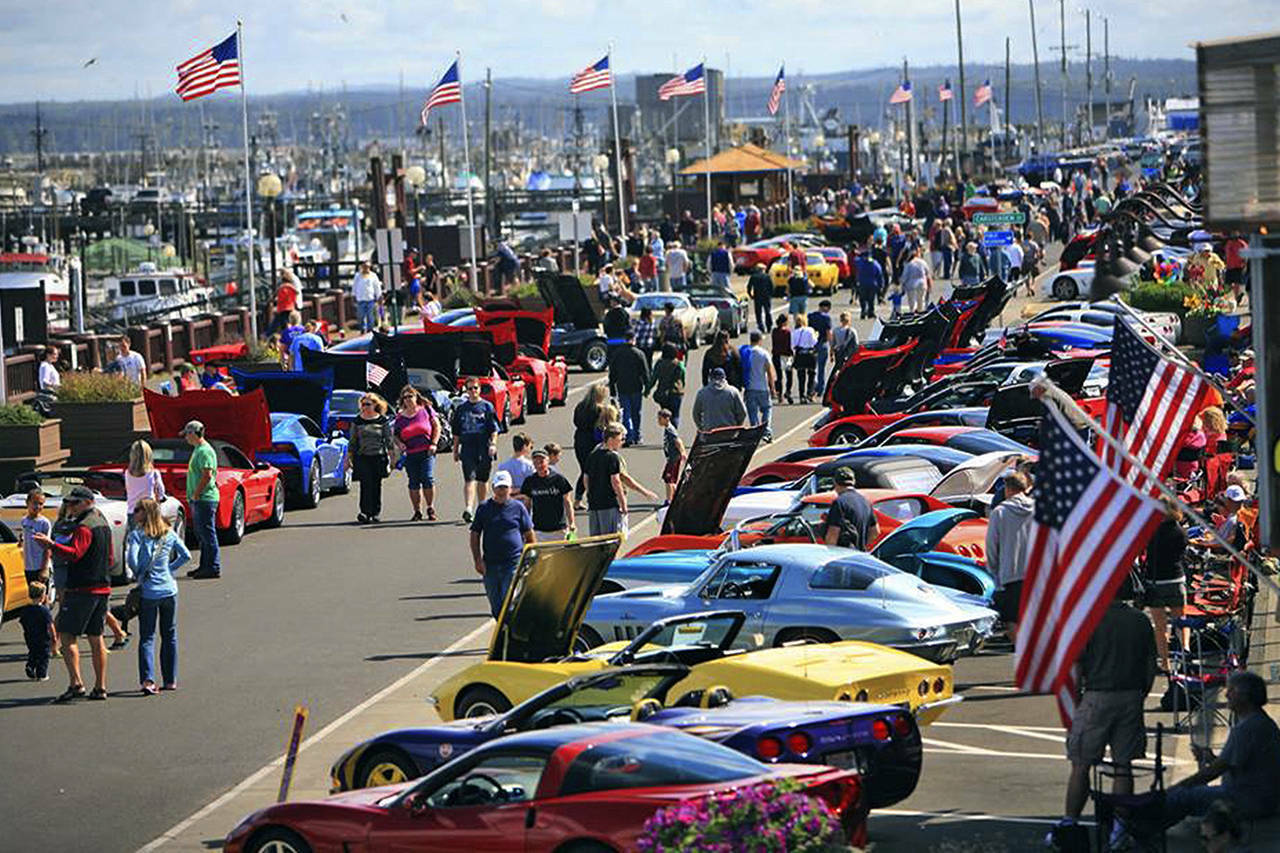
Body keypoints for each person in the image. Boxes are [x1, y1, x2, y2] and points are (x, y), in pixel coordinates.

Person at [1054, 579, 1157, 843]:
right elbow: (1149, 665)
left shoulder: (1090, 621)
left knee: (1081, 763)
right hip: (1131, 694)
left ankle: (1071, 822)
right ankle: (1120, 828)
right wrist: (1140, 694)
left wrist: (1076, 702)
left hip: (1097, 694)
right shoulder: (1140, 621)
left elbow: (1077, 668)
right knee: (1124, 765)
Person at [1163, 671, 1280, 825]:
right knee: (1188, 795)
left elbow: (1212, 772)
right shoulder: (1262, 722)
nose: (1226, 695)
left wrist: (1174, 789)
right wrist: (1211, 758)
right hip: (1261, 797)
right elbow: (1236, 764)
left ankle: (1143, 833)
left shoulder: (1246, 729)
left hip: (1246, 799)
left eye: (1232, 690)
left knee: (1181, 797)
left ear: (1245, 696)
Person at [30, 485, 112, 702]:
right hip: (102, 587)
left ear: (87, 502)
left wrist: (51, 545)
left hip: (82, 588)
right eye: (69, 503)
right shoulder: (103, 523)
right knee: (96, 638)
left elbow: (75, 553)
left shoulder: (84, 527)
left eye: (75, 503)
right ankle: (100, 687)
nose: (70, 507)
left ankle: (76, 684)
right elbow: (111, 558)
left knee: (67, 635)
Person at [126, 497, 190, 695]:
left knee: (147, 637)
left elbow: (132, 560)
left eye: (138, 510)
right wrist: (169, 570)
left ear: (145, 513)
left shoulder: (137, 535)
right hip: (169, 590)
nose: (134, 513)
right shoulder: (168, 533)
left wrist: (140, 573)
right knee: (169, 634)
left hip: (149, 592)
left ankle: (148, 680)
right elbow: (185, 555)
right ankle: (170, 679)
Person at [469, 471, 534, 618]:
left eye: (505, 487)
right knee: (496, 606)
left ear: (510, 488)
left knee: (509, 604)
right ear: (493, 488)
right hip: (490, 564)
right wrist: (478, 560)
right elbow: (475, 534)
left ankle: (509, 635)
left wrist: (530, 558)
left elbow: (529, 534)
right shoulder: (484, 508)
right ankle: (502, 630)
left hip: (512, 563)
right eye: (499, 487)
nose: (502, 491)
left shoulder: (518, 508)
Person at [984, 471, 1035, 643]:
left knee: (1012, 619)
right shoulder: (1037, 509)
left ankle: (1021, 650)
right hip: (1035, 572)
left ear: (1008, 488)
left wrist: (993, 569)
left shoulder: (1000, 512)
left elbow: (992, 546)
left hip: (1010, 573)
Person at [585, 422, 657, 535]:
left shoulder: (592, 455)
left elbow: (586, 478)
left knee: (597, 538)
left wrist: (591, 495)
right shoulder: (612, 457)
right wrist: (623, 504)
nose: (622, 443)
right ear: (611, 439)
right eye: (620, 439)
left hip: (594, 504)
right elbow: (616, 481)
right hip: (609, 504)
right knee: (613, 538)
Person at [1144, 499, 1189, 673]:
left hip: (1156, 581)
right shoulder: (1180, 531)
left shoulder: (1151, 531)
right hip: (1176, 579)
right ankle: (1185, 650)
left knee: (1160, 625)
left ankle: (1165, 662)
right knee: (1181, 622)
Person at [451, 377, 500, 523]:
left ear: (479, 389)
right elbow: (456, 432)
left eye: (475, 388)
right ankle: (468, 508)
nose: (473, 391)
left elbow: (494, 429)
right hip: (468, 448)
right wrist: (455, 450)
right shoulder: (461, 409)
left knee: (482, 479)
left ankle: (482, 507)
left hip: (484, 446)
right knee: (469, 478)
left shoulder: (487, 407)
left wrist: (493, 444)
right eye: (470, 388)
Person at [19, 488, 53, 681]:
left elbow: (48, 547)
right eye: (35, 503)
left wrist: (43, 568)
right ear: (28, 503)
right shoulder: (25, 521)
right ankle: (34, 634)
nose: (38, 507)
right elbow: (24, 537)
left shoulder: (43, 522)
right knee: (33, 598)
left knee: (43, 599)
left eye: (41, 504)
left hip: (40, 566)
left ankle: (46, 636)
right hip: (28, 565)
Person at [393, 386, 439, 522]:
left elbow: (436, 426)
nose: (408, 400)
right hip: (410, 453)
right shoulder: (400, 417)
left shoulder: (425, 410)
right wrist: (400, 444)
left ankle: (430, 507)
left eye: (410, 396)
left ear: (416, 397)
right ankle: (417, 511)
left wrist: (434, 443)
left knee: (427, 478)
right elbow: (395, 434)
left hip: (426, 451)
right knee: (413, 482)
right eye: (405, 397)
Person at [347, 392, 394, 524]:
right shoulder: (357, 421)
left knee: (376, 484)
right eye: (363, 404)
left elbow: (388, 440)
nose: (365, 407)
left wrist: (392, 458)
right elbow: (353, 441)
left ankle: (375, 512)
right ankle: (365, 512)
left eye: (368, 404)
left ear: (375, 405)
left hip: (378, 456)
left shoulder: (382, 421)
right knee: (365, 484)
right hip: (363, 457)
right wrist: (349, 458)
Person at [521, 449, 575, 542]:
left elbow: (567, 502)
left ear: (548, 461)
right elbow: (527, 505)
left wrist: (572, 523)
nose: (539, 465)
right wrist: (525, 526)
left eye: (541, 462)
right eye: (536, 462)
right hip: (539, 530)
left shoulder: (559, 479)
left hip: (558, 529)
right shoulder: (529, 481)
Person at [608, 329, 650, 446]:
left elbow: (612, 373)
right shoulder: (639, 353)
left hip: (622, 387)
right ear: (634, 339)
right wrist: (647, 387)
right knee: (636, 412)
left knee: (626, 412)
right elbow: (645, 372)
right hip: (636, 387)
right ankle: (637, 435)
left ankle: (628, 436)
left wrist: (612, 389)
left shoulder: (617, 353)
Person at [572, 382, 609, 508]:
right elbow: (602, 425)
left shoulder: (580, 406)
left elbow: (575, 421)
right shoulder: (600, 409)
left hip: (579, 439)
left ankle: (577, 499)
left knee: (584, 470)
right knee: (593, 471)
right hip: (592, 441)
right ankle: (591, 498)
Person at [822, 467, 878, 548]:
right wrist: (861, 545)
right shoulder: (864, 501)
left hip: (843, 555)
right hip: (859, 555)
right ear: (854, 481)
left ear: (835, 482)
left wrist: (831, 553)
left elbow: (832, 535)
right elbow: (875, 532)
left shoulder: (839, 503)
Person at [742, 330, 776, 441]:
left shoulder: (746, 352)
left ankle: (755, 433)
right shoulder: (764, 353)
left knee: (752, 412)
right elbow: (770, 372)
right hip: (762, 387)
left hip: (750, 388)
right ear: (760, 340)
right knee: (767, 409)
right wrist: (773, 388)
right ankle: (766, 432)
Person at [692, 366, 747, 433]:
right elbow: (743, 412)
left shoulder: (702, 393)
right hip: (729, 432)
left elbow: (695, 414)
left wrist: (702, 428)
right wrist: (737, 426)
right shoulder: (733, 392)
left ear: (711, 378)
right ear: (724, 377)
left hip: (710, 434)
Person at [124, 439, 166, 521]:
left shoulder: (127, 473)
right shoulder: (154, 473)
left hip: (132, 511)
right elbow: (161, 493)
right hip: (149, 512)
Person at [649, 343, 687, 428]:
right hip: (676, 392)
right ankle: (674, 434)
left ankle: (668, 433)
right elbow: (683, 376)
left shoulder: (659, 363)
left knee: (666, 416)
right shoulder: (679, 364)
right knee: (675, 415)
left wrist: (648, 389)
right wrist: (683, 385)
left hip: (663, 393)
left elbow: (653, 378)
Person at [658, 408, 686, 504]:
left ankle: (670, 500)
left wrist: (682, 452)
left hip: (673, 459)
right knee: (669, 479)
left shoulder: (670, 430)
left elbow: (678, 441)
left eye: (660, 419)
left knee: (669, 479)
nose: (658, 421)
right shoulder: (668, 429)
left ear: (667, 418)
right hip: (671, 458)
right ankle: (672, 498)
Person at [791, 314, 819, 403]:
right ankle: (809, 393)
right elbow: (814, 342)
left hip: (800, 354)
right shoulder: (810, 330)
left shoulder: (794, 332)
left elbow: (793, 345)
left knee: (801, 376)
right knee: (812, 374)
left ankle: (801, 395)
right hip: (810, 354)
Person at [807, 300, 833, 394]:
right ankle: (820, 388)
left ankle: (812, 386)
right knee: (821, 368)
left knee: (812, 368)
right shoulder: (826, 318)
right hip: (822, 343)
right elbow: (828, 333)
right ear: (826, 307)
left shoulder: (810, 316)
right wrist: (832, 348)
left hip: (812, 344)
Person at [352, 261, 383, 333]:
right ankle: (362, 329)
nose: (366, 268)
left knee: (370, 316)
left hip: (370, 299)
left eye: (367, 267)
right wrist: (353, 295)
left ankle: (370, 329)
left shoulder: (373, 275)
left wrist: (379, 296)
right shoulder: (358, 276)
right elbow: (354, 286)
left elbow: (377, 287)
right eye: (364, 267)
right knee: (361, 316)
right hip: (360, 299)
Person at [900, 247, 932, 314]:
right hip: (922, 284)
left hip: (911, 285)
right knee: (921, 301)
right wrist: (930, 286)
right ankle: (920, 314)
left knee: (912, 303)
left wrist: (902, 286)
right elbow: (928, 275)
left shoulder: (909, 264)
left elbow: (904, 277)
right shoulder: (923, 262)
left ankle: (913, 314)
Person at [854, 249, 884, 320]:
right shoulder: (875, 263)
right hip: (872, 284)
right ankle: (871, 312)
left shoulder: (860, 262)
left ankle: (863, 311)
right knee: (871, 299)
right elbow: (879, 274)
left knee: (862, 299)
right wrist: (880, 285)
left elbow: (856, 261)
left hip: (862, 283)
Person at [771, 313, 794, 404]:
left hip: (776, 355)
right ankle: (788, 391)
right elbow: (789, 345)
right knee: (789, 376)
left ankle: (779, 394)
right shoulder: (787, 332)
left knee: (779, 376)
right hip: (786, 356)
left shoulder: (774, 331)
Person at [747, 263, 774, 334]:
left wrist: (751, 295)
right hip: (766, 296)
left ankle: (760, 326)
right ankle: (769, 326)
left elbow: (749, 287)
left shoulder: (753, 277)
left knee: (758, 313)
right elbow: (771, 287)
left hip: (757, 296)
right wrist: (770, 295)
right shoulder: (767, 276)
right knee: (767, 311)